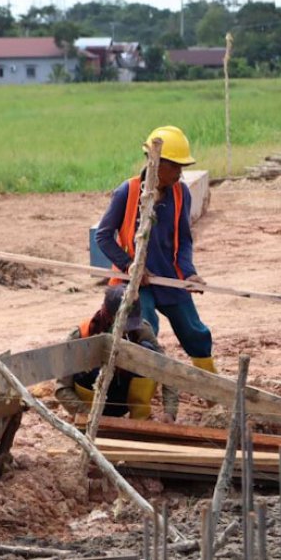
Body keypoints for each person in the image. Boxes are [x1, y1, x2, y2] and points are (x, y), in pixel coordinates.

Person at [95, 125, 216, 376]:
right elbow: (103, 236)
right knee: (146, 333)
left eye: (183, 167)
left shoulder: (181, 193)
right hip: (137, 282)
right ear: (155, 162)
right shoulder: (126, 192)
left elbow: (183, 240)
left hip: (169, 278)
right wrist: (131, 266)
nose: (180, 173)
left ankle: (213, 388)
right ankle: (142, 404)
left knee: (194, 331)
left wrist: (189, 273)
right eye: (174, 166)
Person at [55, 287, 178, 421]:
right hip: (91, 403)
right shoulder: (82, 335)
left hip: (123, 400)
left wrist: (170, 411)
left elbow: (167, 371)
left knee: (147, 351)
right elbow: (62, 387)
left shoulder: (141, 330)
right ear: (108, 315)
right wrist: (85, 416)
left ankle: (139, 417)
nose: (127, 328)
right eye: (124, 322)